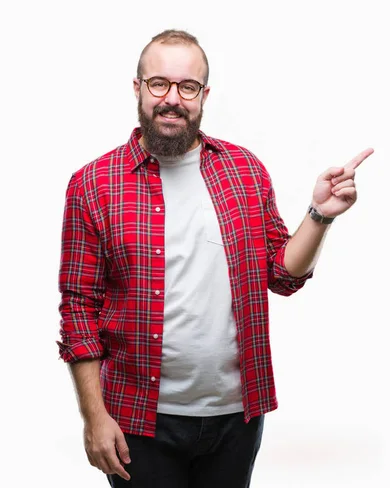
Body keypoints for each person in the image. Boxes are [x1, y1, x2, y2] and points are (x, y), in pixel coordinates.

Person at [57, 29, 373, 488]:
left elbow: (281, 275)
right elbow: (78, 310)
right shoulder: (93, 184)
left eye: (187, 87)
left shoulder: (244, 169)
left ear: (204, 95)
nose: (172, 98)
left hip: (235, 419)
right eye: (158, 83)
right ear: (137, 88)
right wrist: (94, 417)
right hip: (137, 421)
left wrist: (319, 214)